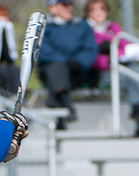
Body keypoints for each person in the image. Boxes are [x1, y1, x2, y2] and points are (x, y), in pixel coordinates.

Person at [84, 0, 139, 138]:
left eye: (101, 8)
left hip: (118, 69)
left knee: (135, 70)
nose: (98, 12)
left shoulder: (114, 27)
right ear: (88, 12)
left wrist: (121, 55)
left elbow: (125, 45)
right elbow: (89, 56)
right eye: (93, 9)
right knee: (134, 76)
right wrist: (110, 60)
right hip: (100, 74)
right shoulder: (84, 30)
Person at [38, 0, 99, 130]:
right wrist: (64, 62)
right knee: (55, 68)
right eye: (65, 5)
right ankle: (67, 105)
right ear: (53, 8)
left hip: (76, 72)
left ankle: (60, 106)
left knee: (56, 73)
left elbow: (90, 49)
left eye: (71, 5)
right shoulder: (44, 27)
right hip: (53, 70)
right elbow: (43, 52)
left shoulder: (82, 25)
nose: (70, 8)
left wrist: (79, 62)